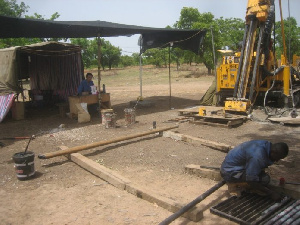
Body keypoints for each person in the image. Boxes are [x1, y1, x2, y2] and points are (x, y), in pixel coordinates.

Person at [220, 140, 289, 201]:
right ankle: (233, 184)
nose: (277, 160)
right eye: (278, 158)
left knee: (261, 177)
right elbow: (251, 180)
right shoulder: (258, 156)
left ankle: (251, 186)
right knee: (264, 180)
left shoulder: (266, 144)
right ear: (273, 152)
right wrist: (271, 193)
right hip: (229, 172)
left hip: (234, 166)